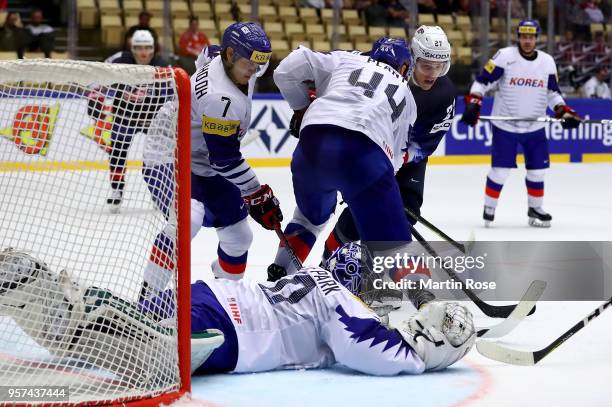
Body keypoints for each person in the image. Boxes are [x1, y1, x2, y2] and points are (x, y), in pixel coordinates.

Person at [0, 245, 476, 379]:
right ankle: (46, 289)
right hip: (227, 329)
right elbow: (365, 347)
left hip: (209, 295)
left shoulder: (320, 280)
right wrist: (422, 354)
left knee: (103, 344)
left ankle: (39, 288)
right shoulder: (341, 300)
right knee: (142, 358)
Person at [268, 38, 418, 282]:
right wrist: (369, 191)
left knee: (308, 219)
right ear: (403, 68)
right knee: (392, 245)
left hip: (313, 142)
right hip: (367, 156)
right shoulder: (407, 96)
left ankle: (278, 278)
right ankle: (423, 304)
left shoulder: (346, 58)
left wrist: (301, 108)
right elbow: (397, 158)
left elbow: (285, 70)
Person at [322, 26, 455, 281]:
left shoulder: (444, 93)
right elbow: (333, 65)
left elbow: (427, 142)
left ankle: (374, 274)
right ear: (413, 59)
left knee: (406, 211)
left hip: (406, 158)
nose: (433, 74)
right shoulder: (385, 65)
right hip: (370, 150)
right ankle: (328, 262)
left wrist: (398, 161)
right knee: (361, 208)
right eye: (427, 65)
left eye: (441, 67)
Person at [460, 19, 581, 228]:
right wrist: (474, 103)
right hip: (506, 127)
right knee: (500, 171)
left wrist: (564, 112)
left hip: (535, 128)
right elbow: (482, 81)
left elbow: (553, 93)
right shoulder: (504, 57)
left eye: (531, 37)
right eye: (524, 36)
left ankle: (535, 207)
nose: (527, 40)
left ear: (537, 38)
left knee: (537, 171)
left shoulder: (547, 62)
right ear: (518, 37)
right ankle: (490, 208)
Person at [190, 22, 283, 280]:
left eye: (258, 63)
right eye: (248, 63)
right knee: (189, 219)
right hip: (171, 157)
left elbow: (208, 52)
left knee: (239, 237)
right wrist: (257, 194)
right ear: (230, 55)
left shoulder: (226, 58)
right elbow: (224, 159)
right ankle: (149, 294)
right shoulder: (221, 98)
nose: (254, 70)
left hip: (203, 160)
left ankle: (224, 295)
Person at [100, 30, 170, 212]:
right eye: (139, 48)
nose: (143, 52)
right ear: (132, 48)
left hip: (152, 119)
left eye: (147, 48)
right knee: (117, 152)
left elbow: (173, 93)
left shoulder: (162, 65)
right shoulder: (119, 60)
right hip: (125, 117)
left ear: (154, 49)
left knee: (159, 156)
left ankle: (159, 192)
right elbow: (98, 77)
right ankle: (116, 190)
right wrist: (95, 99)